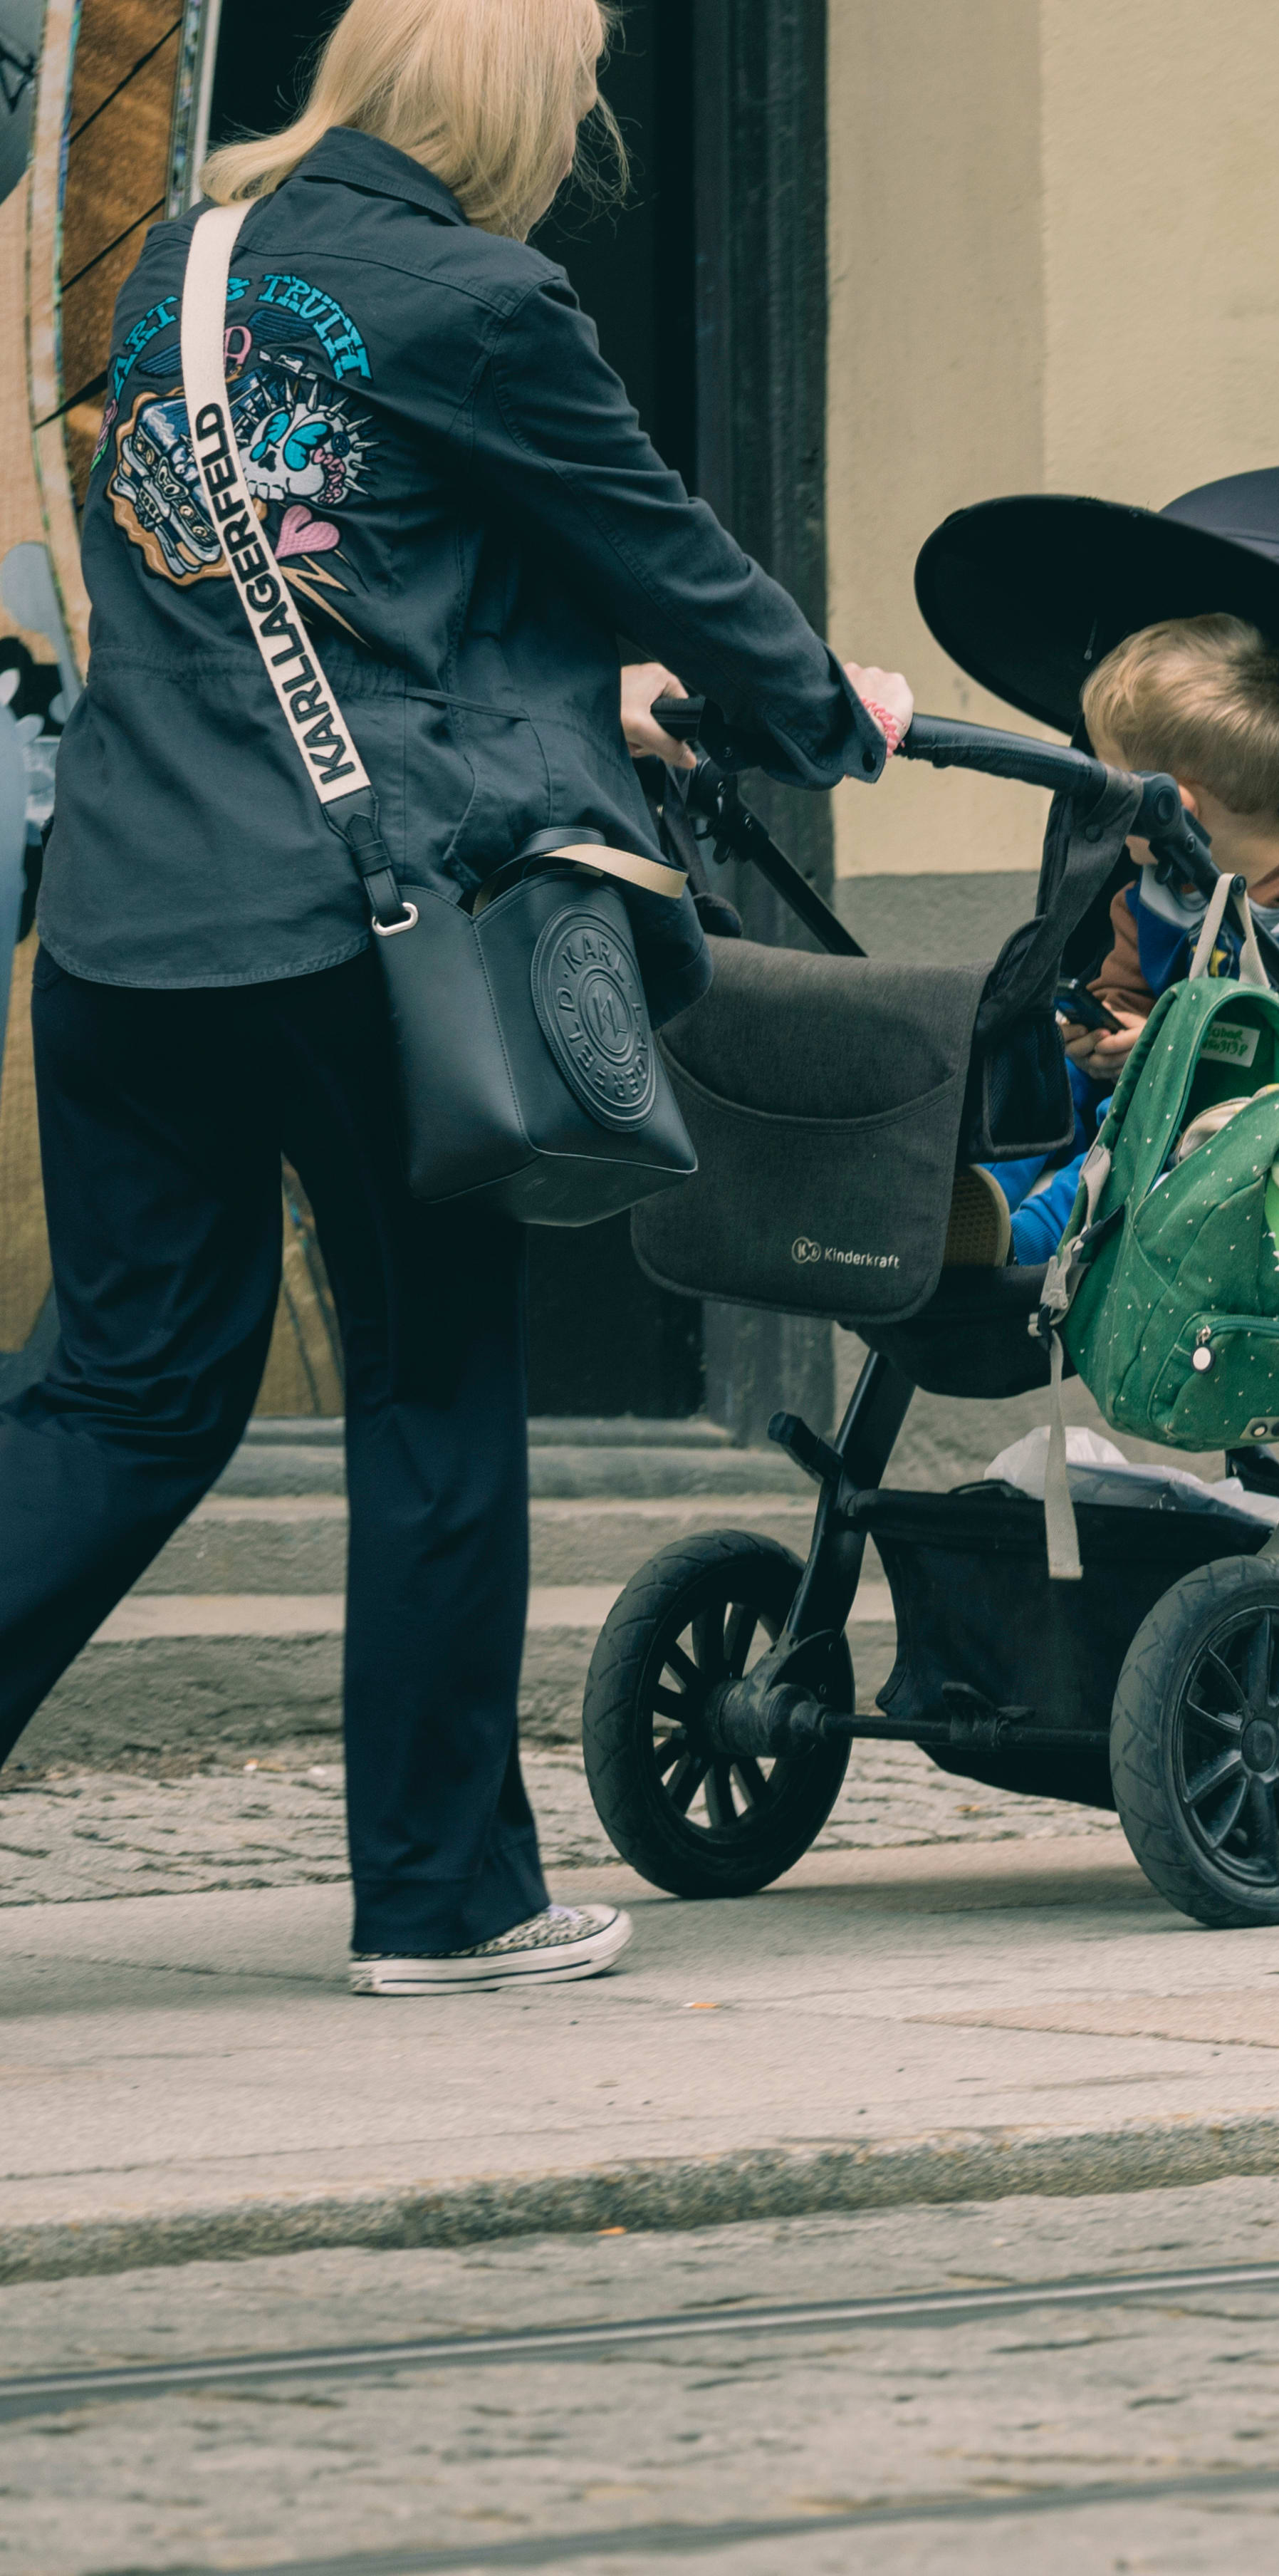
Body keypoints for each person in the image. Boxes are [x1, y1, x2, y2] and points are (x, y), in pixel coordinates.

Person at [0, 0, 909, 1996]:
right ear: (507, 98)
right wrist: (828, 715)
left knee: (120, 1400)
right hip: (363, 948)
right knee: (429, 1395)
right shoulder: (485, 303)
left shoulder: (184, 266)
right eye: (570, 90)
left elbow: (318, 587)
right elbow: (672, 559)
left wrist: (589, 695)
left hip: (129, 921)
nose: (579, 124)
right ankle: (443, 1899)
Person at [981, 612, 1279, 1264]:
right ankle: (981, 1193)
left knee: (1148, 1112)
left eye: (1108, 789)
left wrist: (1168, 1053)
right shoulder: (1158, 894)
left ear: (1173, 809)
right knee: (1052, 1064)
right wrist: (1102, 1035)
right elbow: (1126, 993)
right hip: (1144, 1082)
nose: (1098, 813)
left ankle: (1033, 1237)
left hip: (1238, 1125)